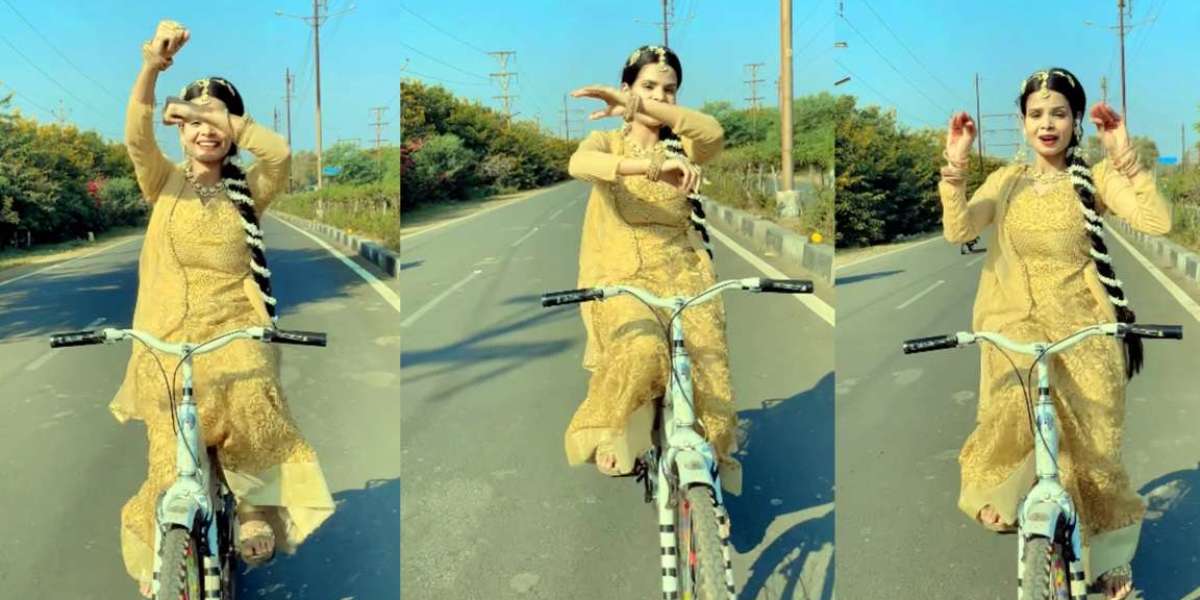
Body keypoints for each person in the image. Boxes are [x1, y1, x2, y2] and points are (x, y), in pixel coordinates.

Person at [114, 20, 335, 596]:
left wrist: (211, 112)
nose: (204, 130)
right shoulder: (162, 182)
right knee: (169, 457)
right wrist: (152, 67)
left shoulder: (249, 189)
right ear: (180, 132)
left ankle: (251, 507)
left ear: (231, 131)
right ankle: (172, 552)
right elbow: (138, 136)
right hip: (165, 337)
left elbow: (280, 152)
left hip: (235, 334)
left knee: (249, 420)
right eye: (191, 120)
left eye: (217, 119)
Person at [939, 67, 1170, 599]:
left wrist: (1124, 154)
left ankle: (1110, 560)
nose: (1048, 124)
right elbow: (959, 229)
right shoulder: (1006, 182)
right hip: (1016, 330)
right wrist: (955, 165)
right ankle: (1026, 513)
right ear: (1022, 123)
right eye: (1037, 114)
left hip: (1085, 335)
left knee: (1095, 457)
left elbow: (1157, 223)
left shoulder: (1092, 179)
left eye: (1059, 114)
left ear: (1074, 124)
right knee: (1016, 423)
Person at [564, 45, 740, 491]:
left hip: (685, 276)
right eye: (647, 87)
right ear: (624, 90)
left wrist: (644, 109)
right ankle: (614, 428)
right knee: (642, 350)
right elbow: (580, 163)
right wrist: (649, 168)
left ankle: (705, 485)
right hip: (619, 279)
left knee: (706, 375)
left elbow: (714, 132)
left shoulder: (687, 149)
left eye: (669, 91)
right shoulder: (608, 143)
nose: (660, 97)